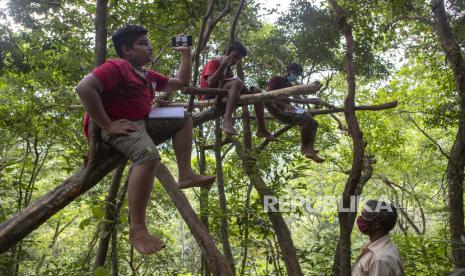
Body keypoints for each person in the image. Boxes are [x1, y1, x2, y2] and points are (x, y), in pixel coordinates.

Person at [75, 24, 215, 255]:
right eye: (143, 43)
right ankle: (137, 229)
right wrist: (107, 124)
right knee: (148, 156)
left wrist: (186, 54)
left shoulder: (147, 75)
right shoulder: (118, 66)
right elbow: (84, 88)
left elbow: (181, 83)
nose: (149, 48)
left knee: (183, 116)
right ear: (127, 50)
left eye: (148, 43)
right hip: (119, 124)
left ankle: (186, 174)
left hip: (142, 119)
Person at [200, 41, 274, 138]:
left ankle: (261, 128)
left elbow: (231, 85)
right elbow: (210, 82)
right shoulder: (213, 62)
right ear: (227, 53)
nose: (236, 61)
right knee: (237, 82)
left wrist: (245, 89)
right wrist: (223, 66)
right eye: (235, 57)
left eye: (239, 59)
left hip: (223, 93)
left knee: (257, 91)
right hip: (209, 94)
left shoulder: (229, 70)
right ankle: (227, 120)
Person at [264, 63, 324, 162]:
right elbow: (267, 95)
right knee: (306, 119)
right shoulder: (276, 79)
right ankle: (304, 148)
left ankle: (310, 149)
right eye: (294, 73)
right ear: (288, 71)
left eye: (298, 75)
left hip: (289, 109)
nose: (295, 76)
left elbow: (298, 99)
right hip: (278, 109)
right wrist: (284, 105)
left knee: (314, 123)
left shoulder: (289, 85)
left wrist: (312, 100)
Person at [353, 200, 406, 276]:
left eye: (364, 215)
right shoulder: (373, 245)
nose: (360, 218)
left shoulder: (380, 260)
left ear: (376, 224)